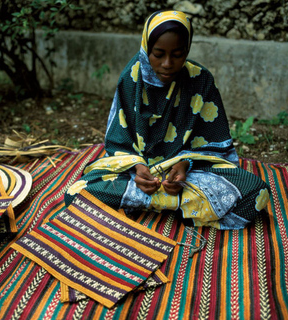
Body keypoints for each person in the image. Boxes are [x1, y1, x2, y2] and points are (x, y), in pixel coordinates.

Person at [65, 10, 270, 230]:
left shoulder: (201, 80)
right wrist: (137, 168)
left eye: (178, 54)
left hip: (190, 178)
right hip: (138, 177)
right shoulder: (131, 78)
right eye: (158, 53)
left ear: (187, 50)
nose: (167, 63)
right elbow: (118, 141)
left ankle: (148, 204)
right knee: (76, 193)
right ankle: (184, 209)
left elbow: (214, 144)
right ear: (146, 48)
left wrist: (185, 165)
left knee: (256, 192)